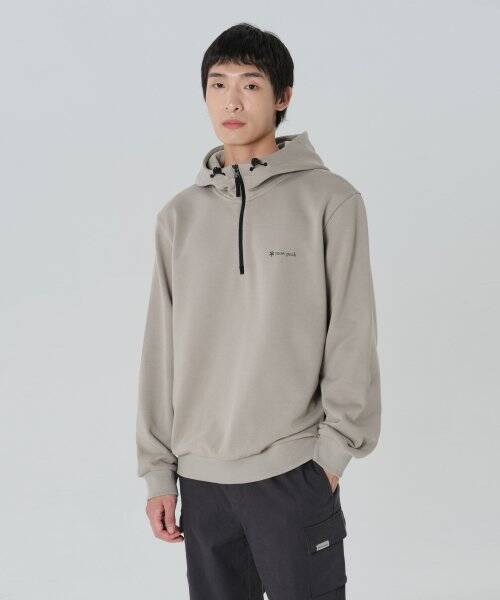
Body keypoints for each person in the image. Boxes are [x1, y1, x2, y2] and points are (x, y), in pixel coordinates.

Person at [136, 22, 381, 600]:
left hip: (293, 471)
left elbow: (352, 330)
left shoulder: (331, 200)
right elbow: (160, 348)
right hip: (201, 479)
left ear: (282, 97)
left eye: (250, 84)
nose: (232, 101)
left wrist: (330, 458)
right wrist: (158, 472)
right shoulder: (179, 216)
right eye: (218, 84)